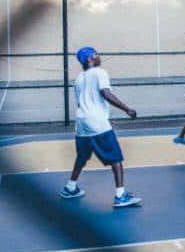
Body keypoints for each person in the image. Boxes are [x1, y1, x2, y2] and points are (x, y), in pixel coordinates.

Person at [60, 47, 141, 208]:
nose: (99, 56)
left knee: (82, 157)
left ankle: (70, 187)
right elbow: (106, 93)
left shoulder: (79, 78)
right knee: (116, 159)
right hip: (97, 122)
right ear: (90, 58)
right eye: (96, 54)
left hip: (81, 122)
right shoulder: (99, 72)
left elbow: (79, 103)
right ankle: (120, 196)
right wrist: (127, 109)